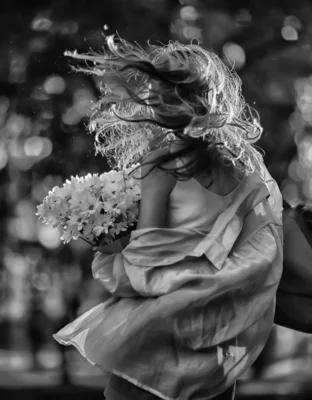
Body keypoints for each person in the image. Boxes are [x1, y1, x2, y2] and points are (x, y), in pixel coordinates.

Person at [54, 36, 284, 400]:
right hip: (217, 333)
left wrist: (109, 251)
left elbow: (148, 257)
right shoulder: (248, 168)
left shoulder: (163, 163)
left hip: (163, 329)